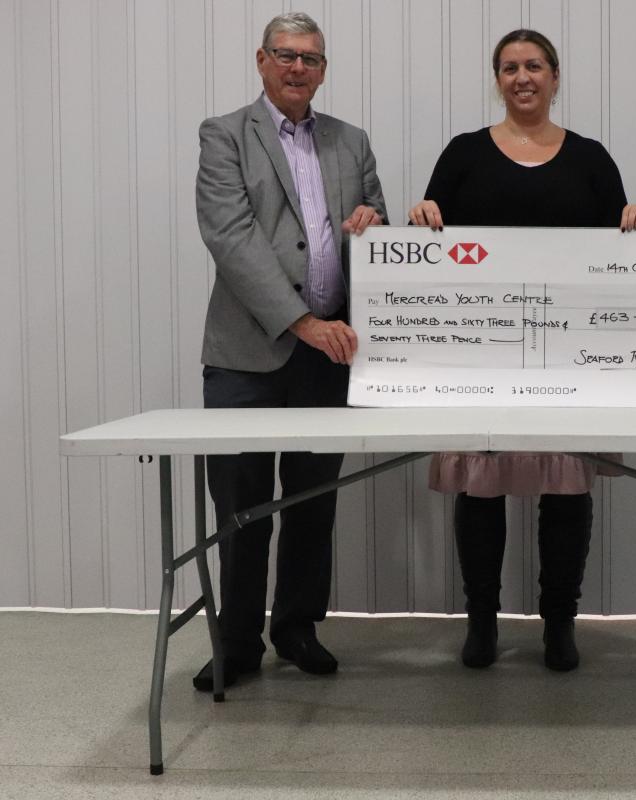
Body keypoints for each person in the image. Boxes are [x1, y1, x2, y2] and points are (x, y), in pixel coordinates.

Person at [409, 28, 636, 672]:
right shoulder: (462, 154)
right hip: (479, 355)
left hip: (568, 358)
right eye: (511, 67)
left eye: (535, 65)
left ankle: (559, 626)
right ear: (497, 78)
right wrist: (424, 216)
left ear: (555, 76)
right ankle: (481, 624)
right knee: (480, 489)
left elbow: (619, 261)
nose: (523, 77)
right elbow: (428, 246)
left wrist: (633, 224)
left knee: (567, 488)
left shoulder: (592, 158)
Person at [192, 12, 387, 692]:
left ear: (324, 69)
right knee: (242, 507)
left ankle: (298, 627)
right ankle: (238, 643)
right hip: (248, 356)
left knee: (313, 501)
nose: (298, 67)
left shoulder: (350, 141)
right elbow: (232, 240)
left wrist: (373, 224)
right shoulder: (223, 136)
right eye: (285, 55)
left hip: (329, 353)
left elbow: (376, 233)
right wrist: (303, 321)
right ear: (261, 61)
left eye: (310, 57)